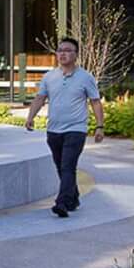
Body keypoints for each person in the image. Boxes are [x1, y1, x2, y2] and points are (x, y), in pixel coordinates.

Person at [23, 35, 105, 218]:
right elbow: (40, 98)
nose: (63, 54)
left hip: (76, 129)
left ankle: (62, 203)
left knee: (68, 166)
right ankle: (73, 197)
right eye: (60, 50)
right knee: (61, 167)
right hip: (53, 130)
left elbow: (95, 102)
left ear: (76, 55)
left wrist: (99, 126)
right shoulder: (49, 77)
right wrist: (31, 117)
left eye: (68, 50)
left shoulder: (86, 77)